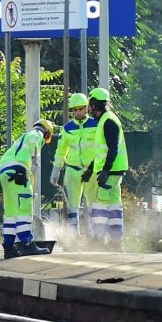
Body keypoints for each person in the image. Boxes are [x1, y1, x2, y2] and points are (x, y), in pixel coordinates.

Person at [0, 119, 54, 258]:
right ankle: (27, 244)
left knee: (10, 212)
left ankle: (9, 247)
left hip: (5, 171)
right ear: (47, 132)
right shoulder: (36, 135)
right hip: (18, 172)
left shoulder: (23, 137)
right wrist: (25, 167)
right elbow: (33, 145)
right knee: (24, 209)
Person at [82, 87, 128, 247]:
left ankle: (98, 239)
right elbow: (102, 151)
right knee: (115, 204)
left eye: (91, 105)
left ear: (94, 105)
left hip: (111, 170)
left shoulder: (108, 121)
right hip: (114, 169)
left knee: (100, 202)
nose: (90, 109)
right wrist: (91, 169)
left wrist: (106, 171)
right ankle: (116, 241)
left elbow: (112, 149)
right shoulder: (107, 119)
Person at [50, 93, 99, 240]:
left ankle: (93, 236)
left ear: (86, 109)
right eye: (75, 110)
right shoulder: (67, 128)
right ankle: (74, 236)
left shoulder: (96, 125)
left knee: (93, 204)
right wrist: (56, 170)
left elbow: (102, 147)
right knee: (73, 205)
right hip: (72, 169)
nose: (77, 112)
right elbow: (61, 150)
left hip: (92, 170)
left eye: (80, 109)